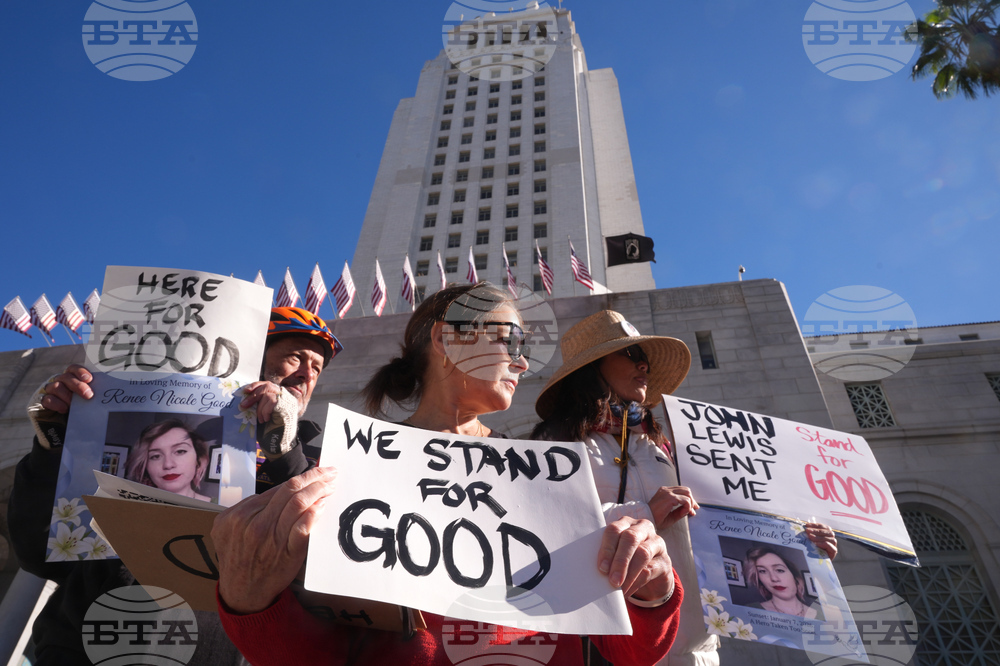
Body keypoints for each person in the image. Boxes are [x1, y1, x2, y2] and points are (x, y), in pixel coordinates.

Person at [212, 283, 683, 666]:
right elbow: (312, 650)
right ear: (445, 340)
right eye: (510, 341)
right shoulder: (348, 466)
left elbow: (630, 652)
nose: (522, 361)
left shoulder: (552, 472)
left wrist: (653, 588)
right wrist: (248, 603)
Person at [7, 306, 342, 666]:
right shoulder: (117, 437)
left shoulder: (317, 464)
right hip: (80, 645)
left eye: (317, 368)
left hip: (212, 651)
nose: (307, 373)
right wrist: (53, 446)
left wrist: (285, 452)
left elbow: (322, 573)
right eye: (296, 357)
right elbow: (35, 550)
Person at [531, 310, 838, 666]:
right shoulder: (556, 446)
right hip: (614, 649)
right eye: (630, 354)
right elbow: (547, 531)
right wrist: (646, 512)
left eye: (644, 357)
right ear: (592, 367)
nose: (643, 365)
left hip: (699, 648)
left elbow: (720, 528)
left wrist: (798, 545)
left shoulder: (665, 447)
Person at [125, 419, 212, 501]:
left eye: (180, 451)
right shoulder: (131, 509)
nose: (168, 464)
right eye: (156, 456)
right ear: (145, 466)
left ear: (198, 458)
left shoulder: (221, 509)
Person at [743, 546, 823, 620]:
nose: (773, 578)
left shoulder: (821, 616)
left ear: (794, 576)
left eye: (779, 570)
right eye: (762, 571)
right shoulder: (750, 610)